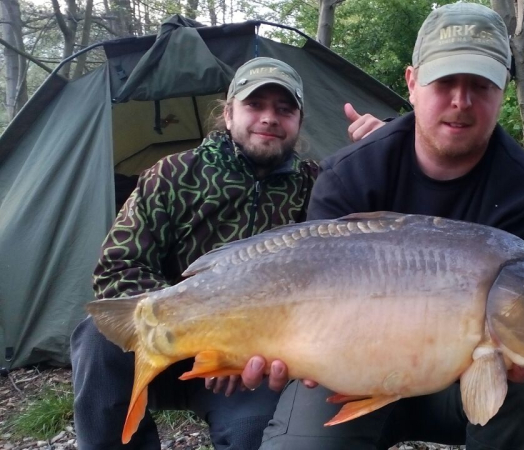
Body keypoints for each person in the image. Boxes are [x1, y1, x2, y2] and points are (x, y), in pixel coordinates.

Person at [241, 3, 524, 449]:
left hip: (460, 382)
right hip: (346, 370)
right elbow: (306, 295)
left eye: (480, 85)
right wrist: (280, 345)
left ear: (502, 90)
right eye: (445, 82)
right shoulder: (348, 174)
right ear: (413, 83)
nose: (461, 101)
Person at [71, 57, 341, 449]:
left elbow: (343, 276)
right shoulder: (173, 175)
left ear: (299, 122)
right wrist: (211, 333)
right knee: (97, 337)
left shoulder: (314, 186)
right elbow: (117, 268)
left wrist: (385, 141)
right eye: (255, 105)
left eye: (285, 109)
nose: (269, 118)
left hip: (246, 368)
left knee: (255, 433)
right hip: (164, 345)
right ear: (228, 114)